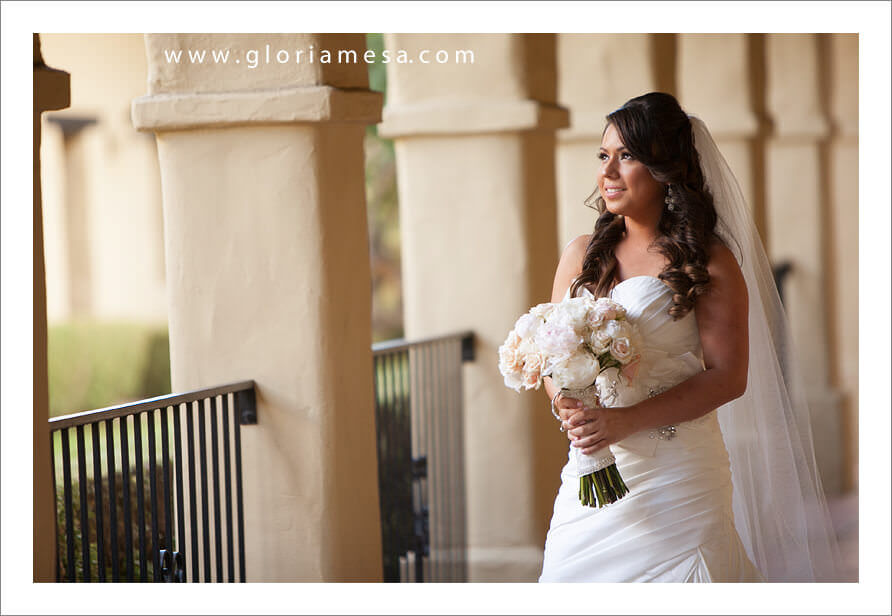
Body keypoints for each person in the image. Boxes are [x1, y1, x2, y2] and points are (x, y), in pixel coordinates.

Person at [538, 92, 841, 582]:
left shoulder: (707, 262)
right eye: (603, 155)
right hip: (590, 470)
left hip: (676, 480)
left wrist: (625, 420)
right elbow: (550, 356)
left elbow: (727, 378)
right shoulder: (580, 255)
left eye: (627, 156)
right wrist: (570, 406)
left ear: (664, 168)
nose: (608, 171)